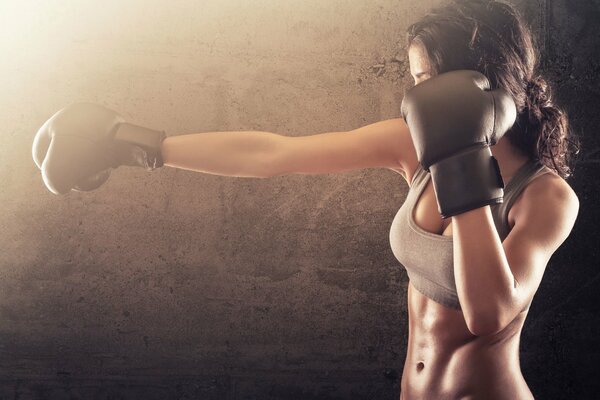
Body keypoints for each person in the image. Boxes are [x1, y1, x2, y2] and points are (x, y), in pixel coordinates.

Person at [32, 0, 580, 398]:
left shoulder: (546, 197)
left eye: (436, 80)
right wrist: (142, 145)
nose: (421, 97)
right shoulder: (414, 149)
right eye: (418, 80)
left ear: (488, 79)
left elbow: (489, 314)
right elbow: (274, 154)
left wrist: (465, 163)